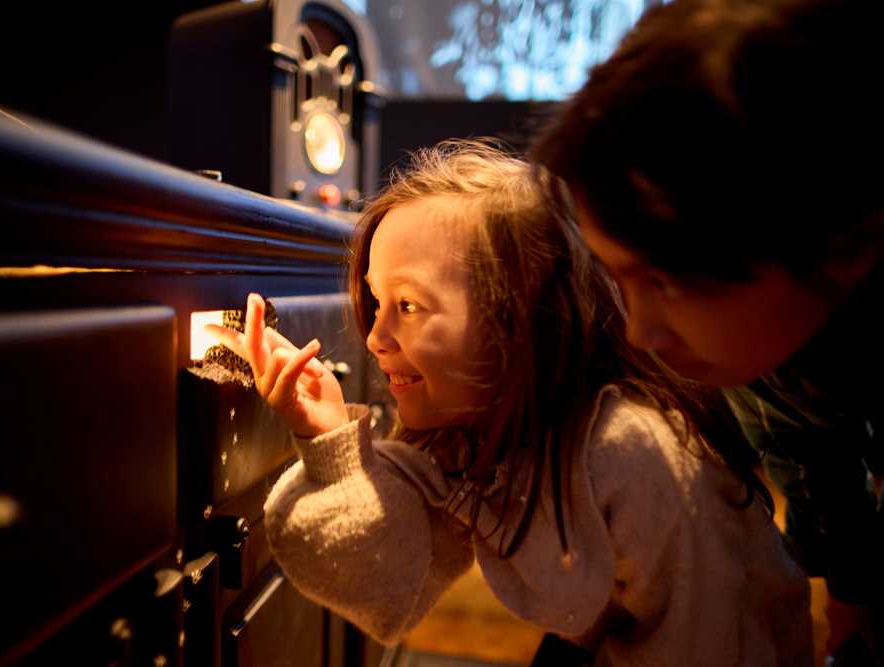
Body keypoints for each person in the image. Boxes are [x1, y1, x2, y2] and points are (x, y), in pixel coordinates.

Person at [209, 140, 813, 665]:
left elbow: (720, 638)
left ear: (519, 318)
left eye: (410, 306)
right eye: (376, 301)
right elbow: (385, 580)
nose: (374, 338)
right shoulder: (464, 426)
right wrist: (328, 439)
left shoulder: (632, 449)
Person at [530, 0, 883, 662]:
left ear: (843, 234)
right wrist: (852, 590)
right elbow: (807, 449)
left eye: (666, 280)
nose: (639, 332)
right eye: (618, 277)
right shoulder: (763, 349)